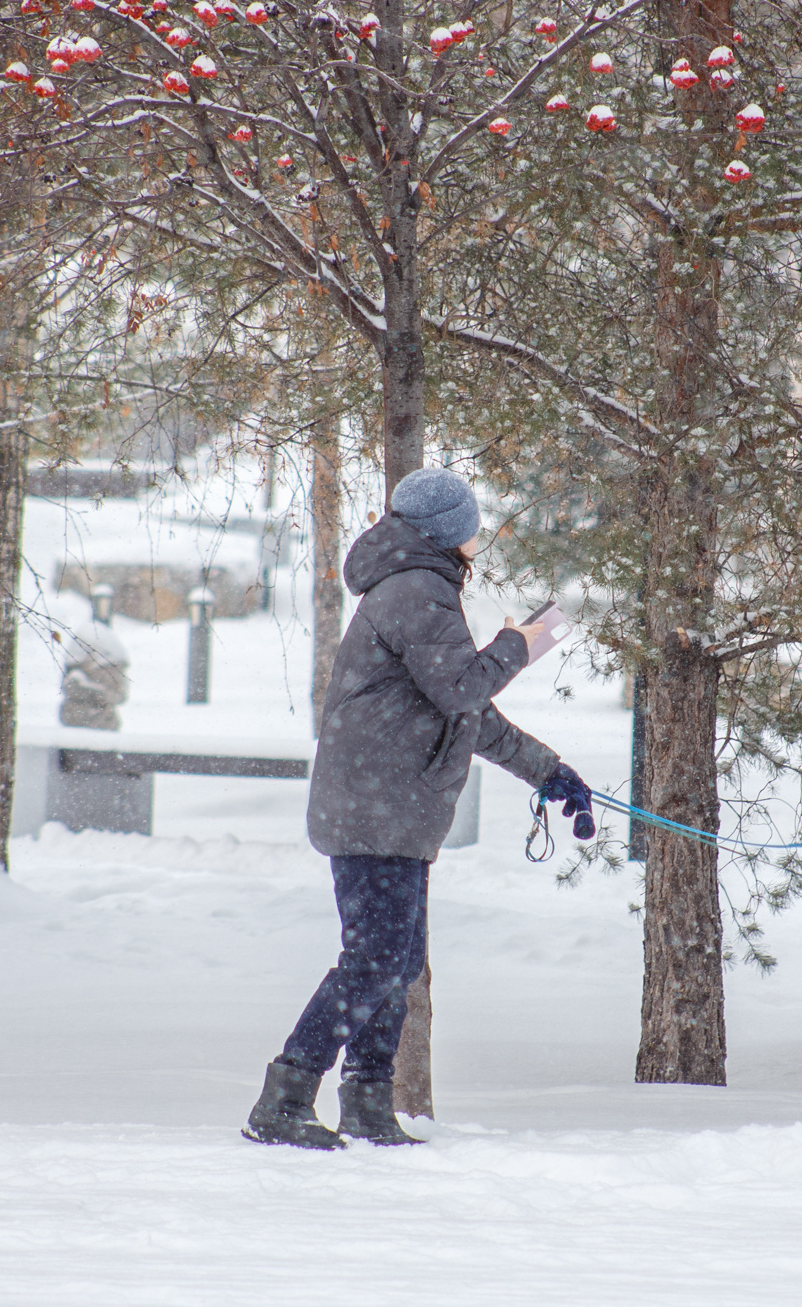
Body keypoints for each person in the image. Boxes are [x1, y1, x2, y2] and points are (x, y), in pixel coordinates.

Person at [243, 468, 595, 1149]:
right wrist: (518, 644)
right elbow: (464, 689)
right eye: (470, 525)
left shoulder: (418, 588)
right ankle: (284, 1098)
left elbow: (463, 715)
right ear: (447, 532)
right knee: (375, 961)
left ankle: (369, 1102)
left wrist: (549, 772)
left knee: (394, 964)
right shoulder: (416, 592)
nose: (477, 538)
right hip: (377, 809)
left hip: (389, 809)